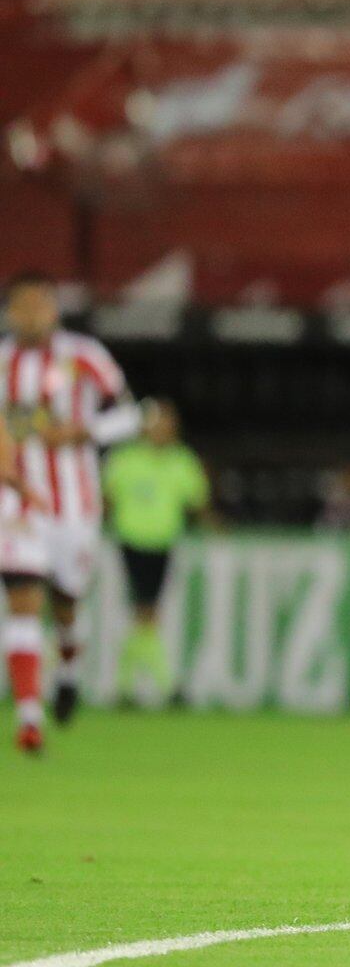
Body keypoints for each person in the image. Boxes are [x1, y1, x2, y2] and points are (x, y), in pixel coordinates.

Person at [1, 271, 141, 728]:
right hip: (21, 502)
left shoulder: (83, 355)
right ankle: (28, 714)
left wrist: (84, 431)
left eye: (40, 304)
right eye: (22, 306)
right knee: (23, 595)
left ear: (54, 309)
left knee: (67, 600)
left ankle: (67, 672)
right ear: (9, 312)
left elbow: (130, 414)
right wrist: (28, 431)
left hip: (76, 502)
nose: (31, 315)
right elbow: (10, 427)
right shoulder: (3, 361)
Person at [102, 398, 211, 707]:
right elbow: (106, 498)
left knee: (145, 613)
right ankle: (166, 686)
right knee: (147, 612)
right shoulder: (124, 458)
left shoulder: (182, 460)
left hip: (164, 542)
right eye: (158, 422)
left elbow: (197, 501)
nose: (163, 429)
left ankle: (125, 687)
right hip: (132, 540)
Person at [1, 422, 51, 753]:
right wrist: (21, 484)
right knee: (25, 617)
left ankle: (30, 719)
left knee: (24, 618)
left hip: (18, 512)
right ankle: (29, 718)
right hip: (15, 512)